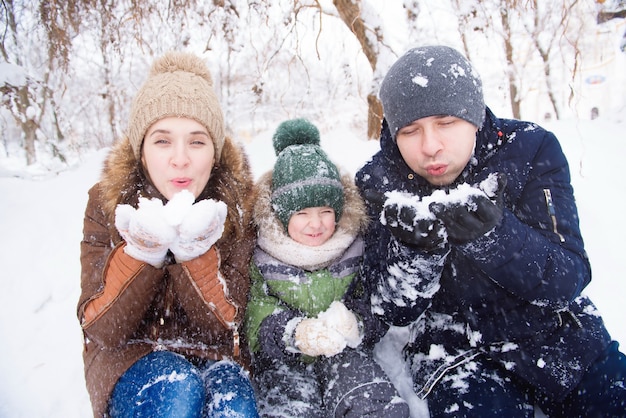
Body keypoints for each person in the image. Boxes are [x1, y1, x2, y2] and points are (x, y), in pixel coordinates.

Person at [356, 45, 626, 417]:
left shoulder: (530, 150)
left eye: (446, 123)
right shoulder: (379, 182)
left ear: (474, 115)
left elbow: (569, 278)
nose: (430, 146)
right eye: (410, 130)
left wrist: (494, 237)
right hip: (452, 351)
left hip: (560, 336)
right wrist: (416, 254)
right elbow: (389, 308)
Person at [77, 51, 259, 417]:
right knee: (177, 392)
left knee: (235, 408)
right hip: (131, 356)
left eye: (197, 141)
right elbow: (102, 329)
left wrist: (194, 253)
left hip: (217, 357)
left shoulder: (236, 206)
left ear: (215, 154)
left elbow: (228, 325)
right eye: (162, 141)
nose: (180, 159)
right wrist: (141, 254)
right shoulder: (107, 203)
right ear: (142, 152)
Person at [244, 118, 409, 417]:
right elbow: (257, 312)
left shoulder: (353, 246)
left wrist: (356, 323)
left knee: (369, 398)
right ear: (281, 216)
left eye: (326, 211)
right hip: (287, 360)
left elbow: (371, 300)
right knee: (290, 407)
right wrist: (293, 333)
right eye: (302, 213)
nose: (316, 223)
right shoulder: (265, 257)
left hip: (344, 351)